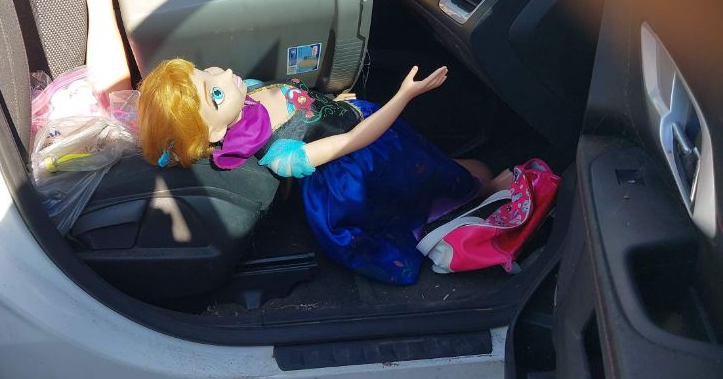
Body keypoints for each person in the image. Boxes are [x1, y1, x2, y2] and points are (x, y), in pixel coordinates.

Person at [137, 60, 511, 284]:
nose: (225, 74)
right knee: (435, 182)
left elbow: (300, 100)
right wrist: (403, 97)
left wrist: (333, 105)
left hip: (363, 124)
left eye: (208, 72)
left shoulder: (246, 92)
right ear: (216, 133)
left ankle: (470, 187)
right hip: (365, 167)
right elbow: (350, 143)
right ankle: (482, 191)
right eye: (214, 94)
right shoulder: (281, 155)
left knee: (430, 165)